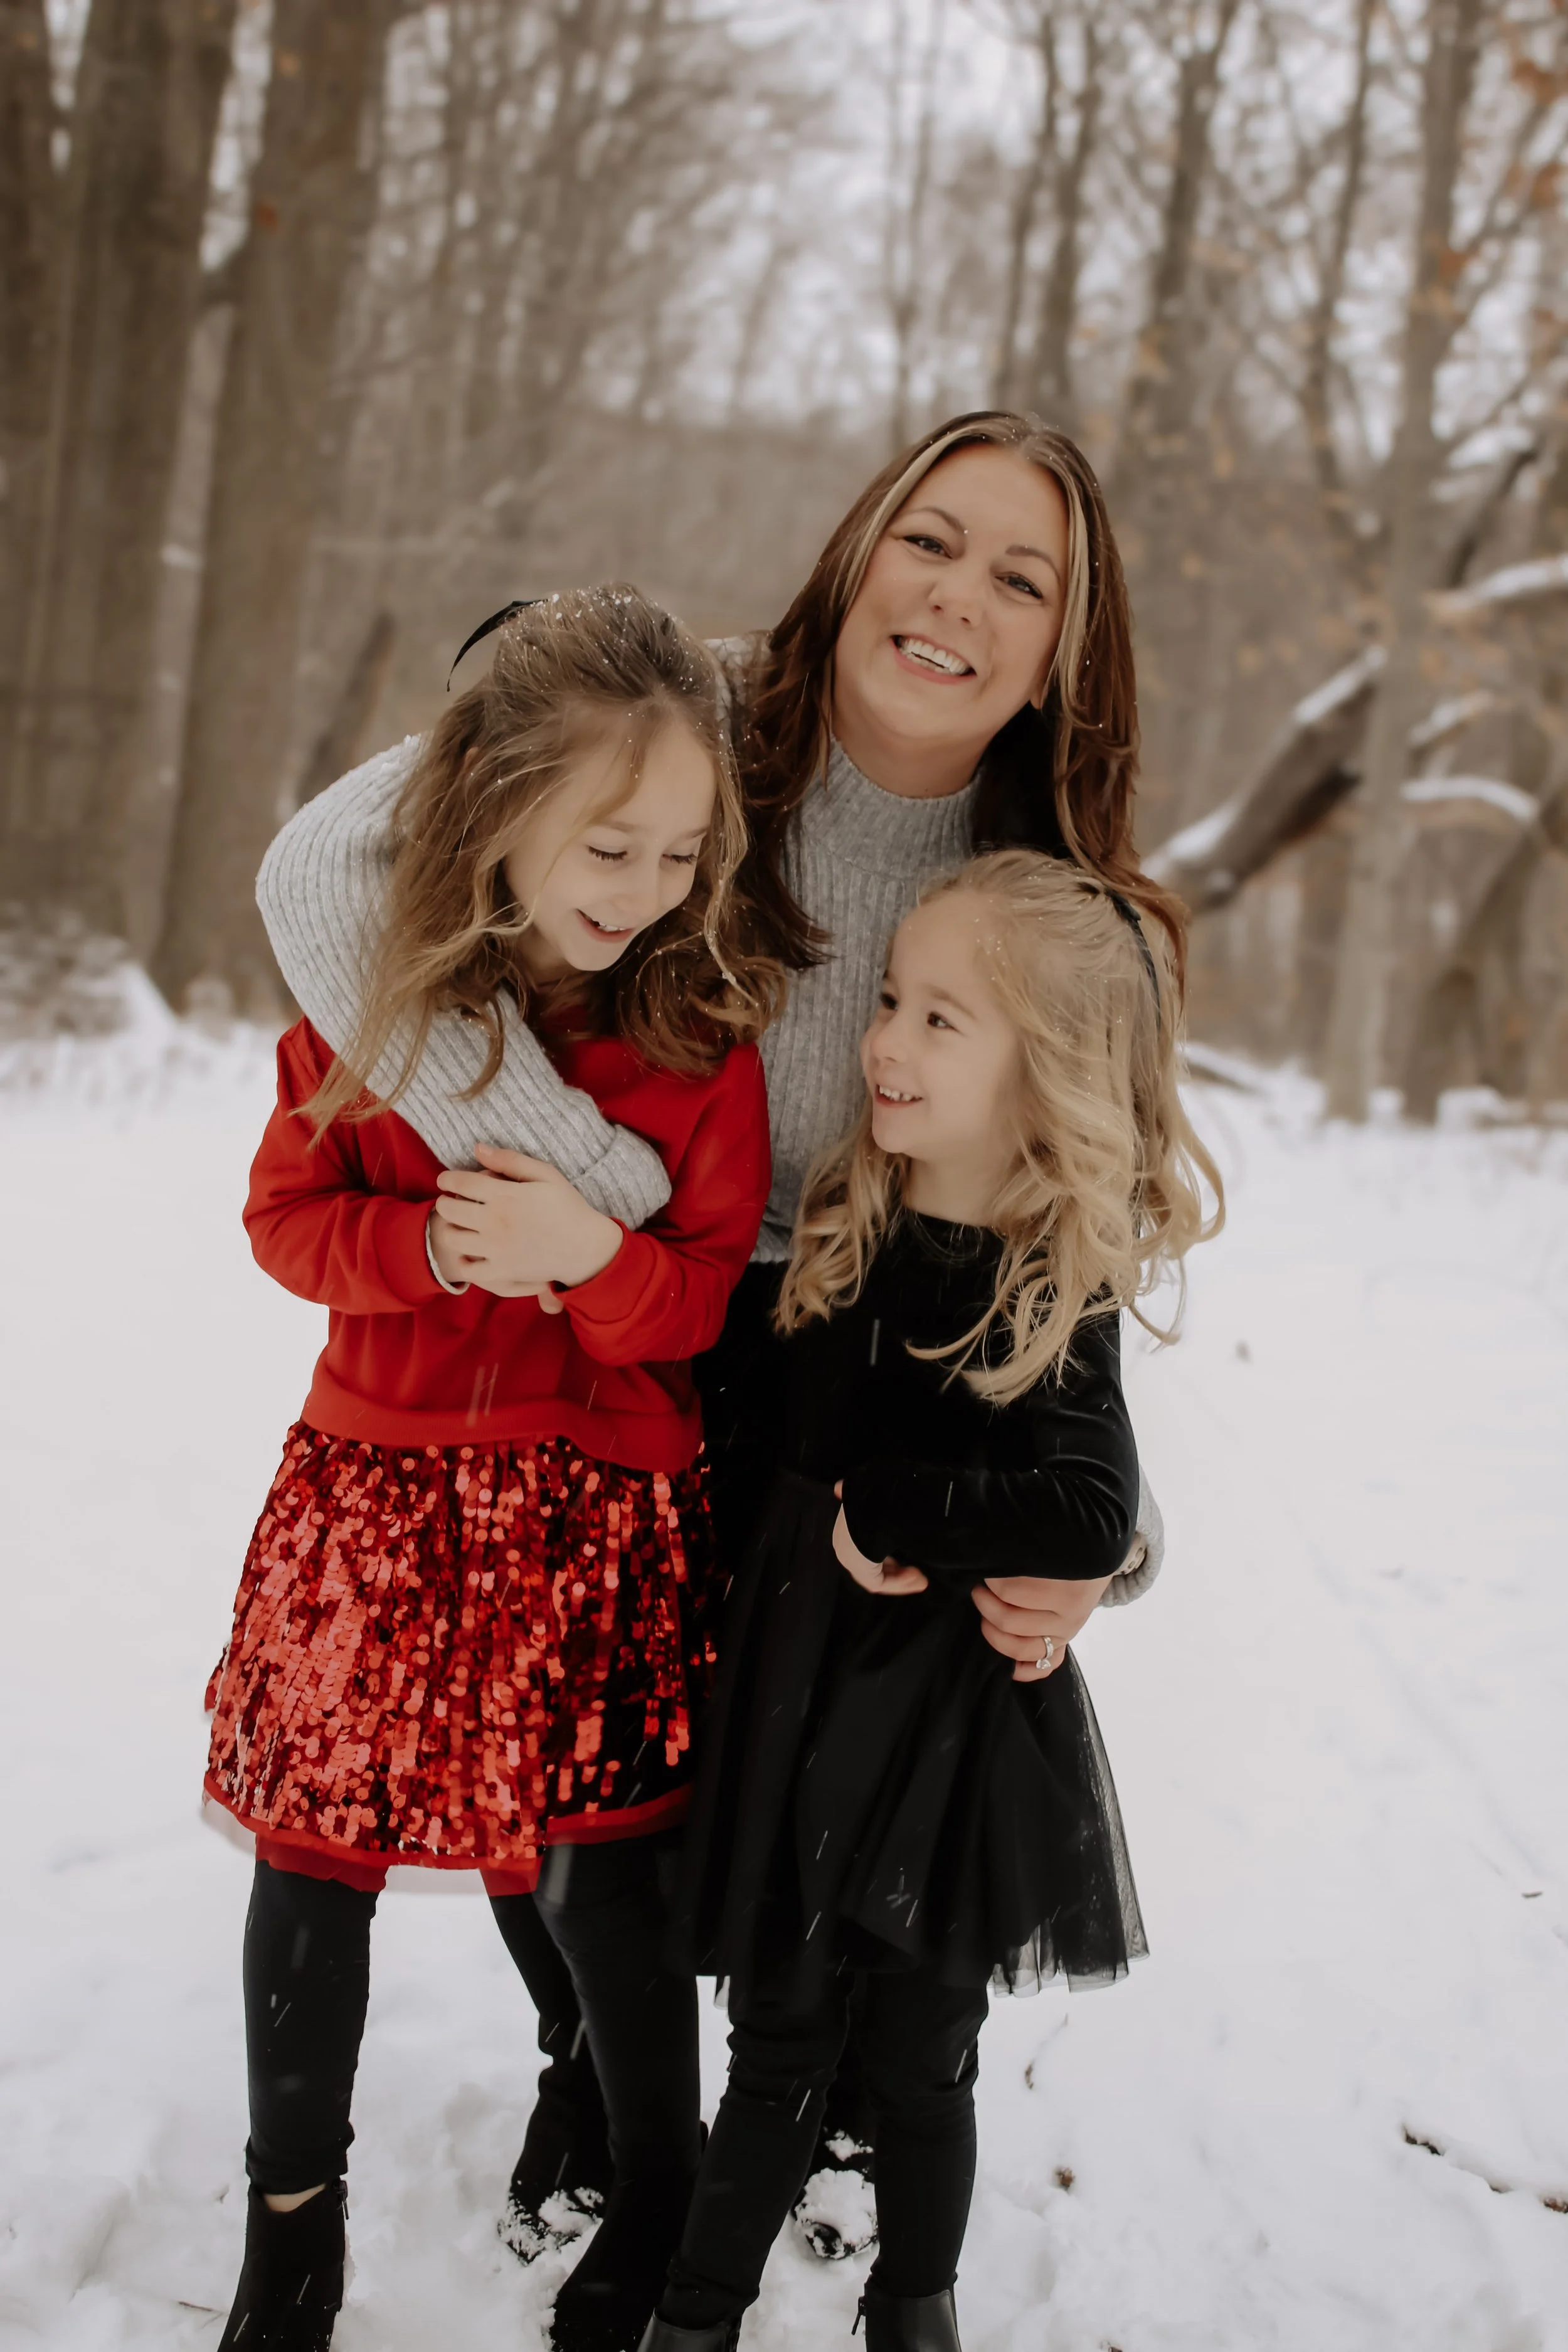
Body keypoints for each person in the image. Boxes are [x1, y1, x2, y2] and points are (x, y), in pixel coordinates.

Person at [255, 410, 1177, 2257]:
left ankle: (799, 2081)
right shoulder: (689, 723)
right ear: (857, 546)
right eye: (932, 537)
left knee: (794, 1785)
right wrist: (574, 1172)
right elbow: (319, 874)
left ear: (1066, 646)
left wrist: (1097, 1539)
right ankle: (586, 2059)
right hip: (645, 1309)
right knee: (590, 1774)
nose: (957, 598)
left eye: (1024, 576)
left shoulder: (1059, 892)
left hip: (879, 1367)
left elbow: (1079, 1247)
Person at [203, 586, 780, 2352]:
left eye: (681, 851)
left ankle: (652, 2170)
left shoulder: (696, 1042)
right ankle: (290, 2224)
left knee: (604, 1872)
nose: (642, 885)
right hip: (370, 1490)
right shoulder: (375, 1006)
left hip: (594, 1506)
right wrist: (439, 1250)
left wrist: (585, 1258)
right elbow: (284, 1219)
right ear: (490, 808)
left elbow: (691, 1298)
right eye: (607, 840)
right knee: (312, 1859)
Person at [639, 854, 1221, 2352]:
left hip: (948, 1746)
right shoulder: (839, 1227)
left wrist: (897, 1509)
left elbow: (1090, 1507)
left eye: (939, 1020)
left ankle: (915, 2305)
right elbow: (757, 1435)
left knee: (920, 2054)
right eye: (888, 1001)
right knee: (771, 2040)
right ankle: (694, 2317)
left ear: (1049, 1072)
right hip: (797, 1703)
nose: (884, 1041)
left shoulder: (1050, 1286)